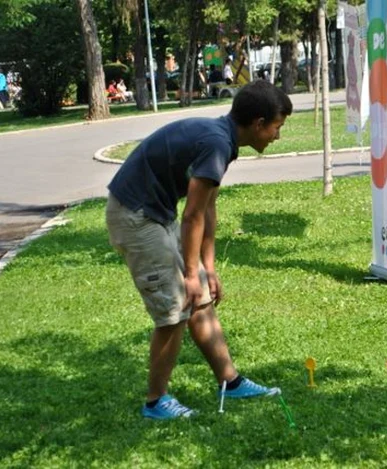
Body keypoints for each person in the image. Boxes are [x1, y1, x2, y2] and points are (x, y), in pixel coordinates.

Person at [105, 80, 293, 420]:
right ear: (258, 124)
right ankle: (155, 402)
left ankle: (230, 382)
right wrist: (190, 274)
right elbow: (191, 215)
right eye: (277, 128)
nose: (277, 136)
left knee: (200, 296)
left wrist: (207, 268)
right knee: (174, 308)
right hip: (135, 216)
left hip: (154, 213)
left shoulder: (223, 139)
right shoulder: (218, 143)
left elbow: (207, 208)